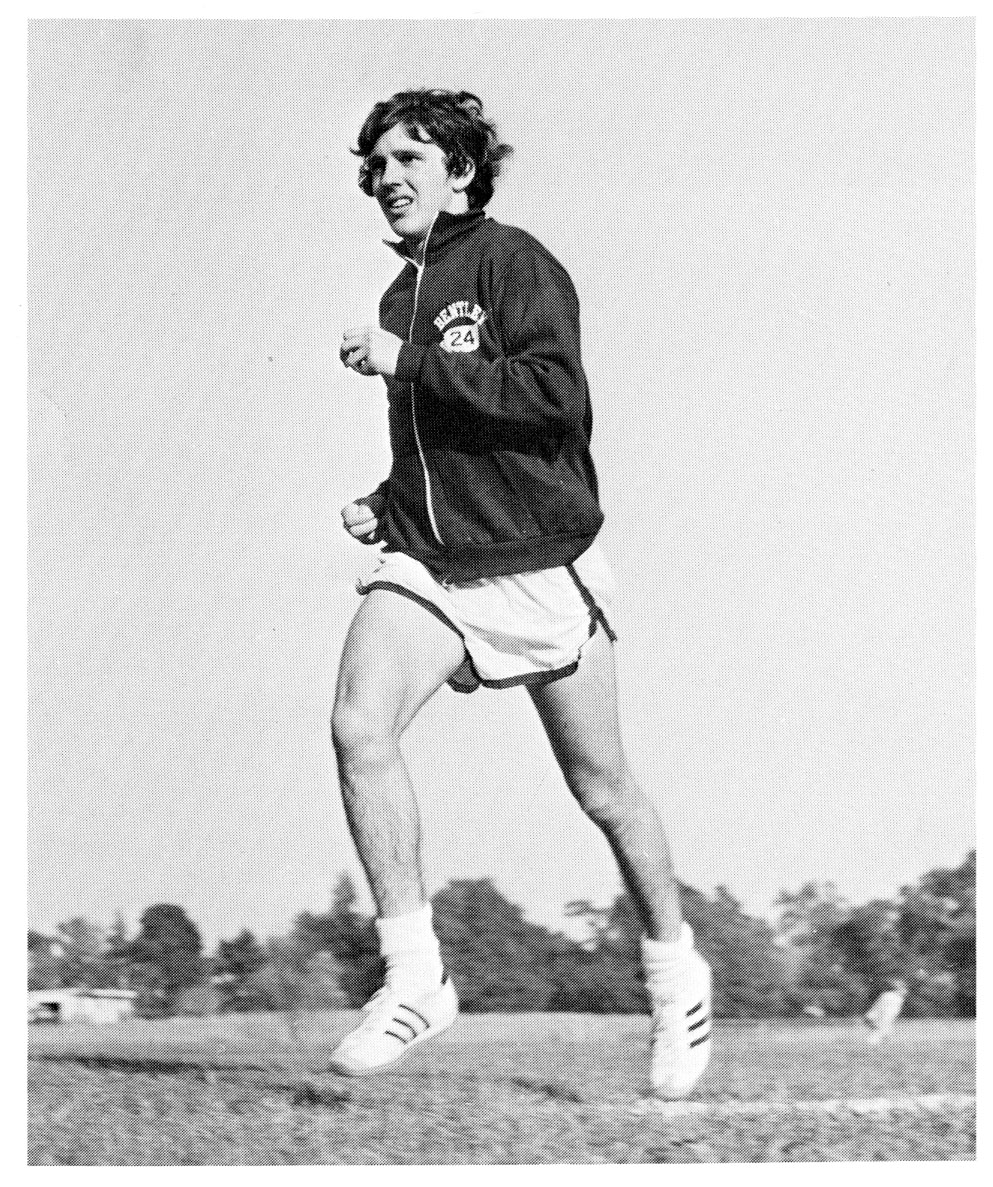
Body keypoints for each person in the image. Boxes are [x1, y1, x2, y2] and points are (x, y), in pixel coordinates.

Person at [328, 88, 711, 1099]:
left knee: (603, 789)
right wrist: (385, 500)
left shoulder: (513, 261)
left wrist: (413, 363)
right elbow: (449, 445)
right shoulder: (397, 297)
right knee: (360, 725)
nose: (388, 175)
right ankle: (417, 971)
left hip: (539, 559)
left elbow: (552, 401)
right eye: (375, 163)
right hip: (435, 565)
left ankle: (676, 971)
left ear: (461, 171)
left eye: (409, 155)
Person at [864, 978, 907, 1045]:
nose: (905, 992)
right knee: (880, 1030)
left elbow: (879, 1006)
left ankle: (879, 1044)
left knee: (885, 1031)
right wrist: (874, 1015)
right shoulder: (889, 995)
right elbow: (879, 1006)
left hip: (886, 1016)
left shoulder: (895, 997)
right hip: (884, 1016)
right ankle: (871, 1043)